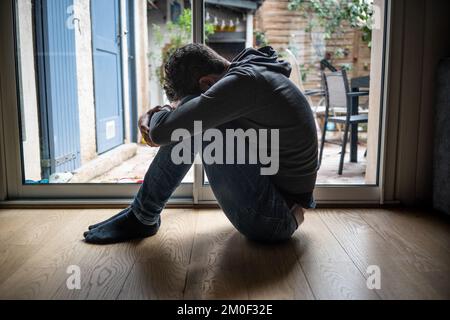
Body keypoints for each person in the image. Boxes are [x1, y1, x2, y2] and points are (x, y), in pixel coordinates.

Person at [83, 44, 318, 245]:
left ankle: (143, 217)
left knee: (199, 124)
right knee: (195, 119)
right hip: (279, 204)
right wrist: (174, 113)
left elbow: (162, 132)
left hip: (273, 219)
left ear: (206, 83)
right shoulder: (250, 71)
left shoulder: (245, 82)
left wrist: (149, 118)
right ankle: (142, 215)